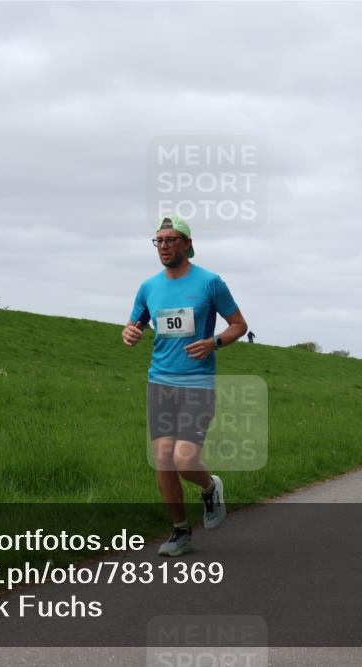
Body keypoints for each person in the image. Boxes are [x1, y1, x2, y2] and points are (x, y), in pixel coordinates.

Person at [122, 216, 247, 557]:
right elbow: (134, 324)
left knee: (184, 459)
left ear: (188, 244)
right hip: (159, 382)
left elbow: (238, 324)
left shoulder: (210, 283)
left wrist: (214, 343)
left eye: (171, 239)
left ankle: (209, 487)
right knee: (163, 459)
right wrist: (130, 333)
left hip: (198, 383)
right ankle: (180, 533)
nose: (164, 246)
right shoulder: (149, 287)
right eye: (159, 240)